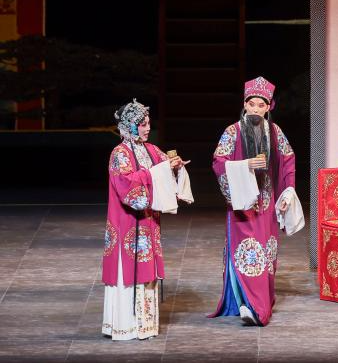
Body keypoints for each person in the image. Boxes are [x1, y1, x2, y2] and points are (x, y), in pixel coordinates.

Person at [210, 76, 303, 326]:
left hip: (267, 202)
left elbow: (288, 159)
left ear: (268, 107)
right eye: (251, 104)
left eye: (261, 105)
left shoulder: (274, 131)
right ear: (244, 104)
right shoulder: (232, 131)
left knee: (266, 253)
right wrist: (246, 165)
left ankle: (257, 302)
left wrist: (287, 192)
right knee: (247, 252)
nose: (255, 110)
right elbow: (218, 162)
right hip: (243, 204)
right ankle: (251, 306)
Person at [103, 99, 192, 340]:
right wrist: (156, 173)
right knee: (128, 269)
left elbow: (164, 172)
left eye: (148, 123)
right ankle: (125, 326)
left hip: (148, 222)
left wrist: (175, 168)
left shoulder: (152, 150)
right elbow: (126, 185)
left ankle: (145, 326)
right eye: (142, 124)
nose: (147, 128)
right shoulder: (119, 153)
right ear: (130, 126)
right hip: (127, 222)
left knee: (147, 268)